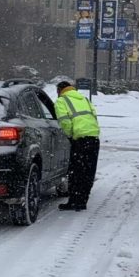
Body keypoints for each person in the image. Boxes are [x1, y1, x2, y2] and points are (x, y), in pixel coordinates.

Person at [54, 80, 100, 211]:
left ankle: (74, 201)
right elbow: (94, 116)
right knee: (88, 171)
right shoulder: (84, 99)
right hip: (94, 138)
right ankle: (83, 201)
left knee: (76, 172)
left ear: (60, 90)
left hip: (79, 139)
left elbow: (64, 122)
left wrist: (70, 136)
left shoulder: (62, 101)